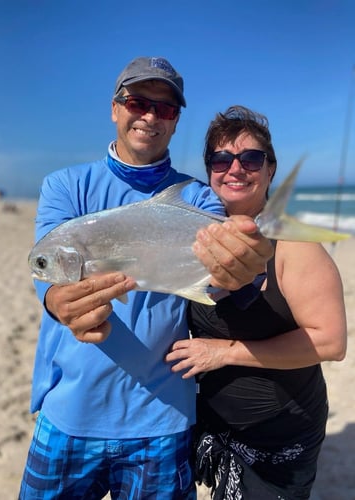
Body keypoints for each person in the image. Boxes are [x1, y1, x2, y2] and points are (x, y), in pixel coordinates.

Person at [19, 60, 273, 499]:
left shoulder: (197, 197)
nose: (151, 116)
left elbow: (214, 282)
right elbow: (51, 275)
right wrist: (59, 302)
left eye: (167, 108)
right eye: (138, 102)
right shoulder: (65, 185)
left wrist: (240, 272)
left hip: (162, 417)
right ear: (115, 109)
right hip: (70, 412)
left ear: (176, 122)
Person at [166, 105, 347, 499]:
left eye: (250, 158)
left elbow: (331, 342)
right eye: (221, 159)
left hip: (280, 432)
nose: (235, 169)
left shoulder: (294, 243)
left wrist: (223, 352)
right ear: (209, 171)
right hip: (219, 421)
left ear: (270, 170)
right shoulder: (196, 236)